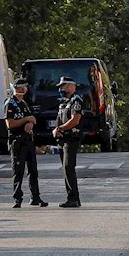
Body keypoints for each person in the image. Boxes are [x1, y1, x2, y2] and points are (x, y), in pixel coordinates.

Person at [5, 78, 47, 209]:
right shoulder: (10, 104)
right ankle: (17, 198)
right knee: (18, 170)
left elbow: (32, 118)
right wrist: (26, 120)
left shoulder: (24, 103)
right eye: (24, 87)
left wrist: (29, 121)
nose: (26, 89)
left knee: (33, 170)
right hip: (17, 140)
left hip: (28, 140)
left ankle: (35, 197)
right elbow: (10, 124)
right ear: (19, 88)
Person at [53, 76, 84, 208]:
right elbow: (60, 118)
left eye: (64, 86)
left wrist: (60, 128)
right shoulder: (64, 102)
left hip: (72, 138)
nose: (61, 89)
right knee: (66, 169)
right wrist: (57, 129)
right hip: (62, 138)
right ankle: (71, 197)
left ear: (72, 87)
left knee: (68, 167)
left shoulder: (76, 100)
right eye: (60, 86)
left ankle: (74, 198)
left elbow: (75, 120)